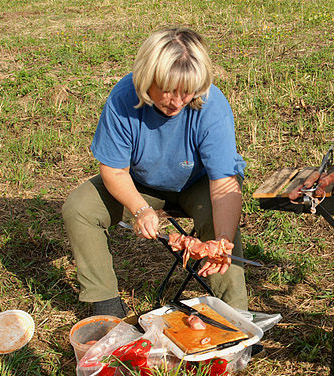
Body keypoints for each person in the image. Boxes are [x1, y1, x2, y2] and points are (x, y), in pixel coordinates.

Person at [62, 27, 247, 318]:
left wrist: (222, 241)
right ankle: (106, 306)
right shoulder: (123, 99)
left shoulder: (212, 106)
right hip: (139, 183)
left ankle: (235, 316)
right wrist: (140, 209)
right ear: (146, 79)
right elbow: (114, 170)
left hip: (199, 183)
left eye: (187, 91)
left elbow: (223, 182)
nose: (177, 101)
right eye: (168, 90)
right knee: (80, 208)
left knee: (219, 223)